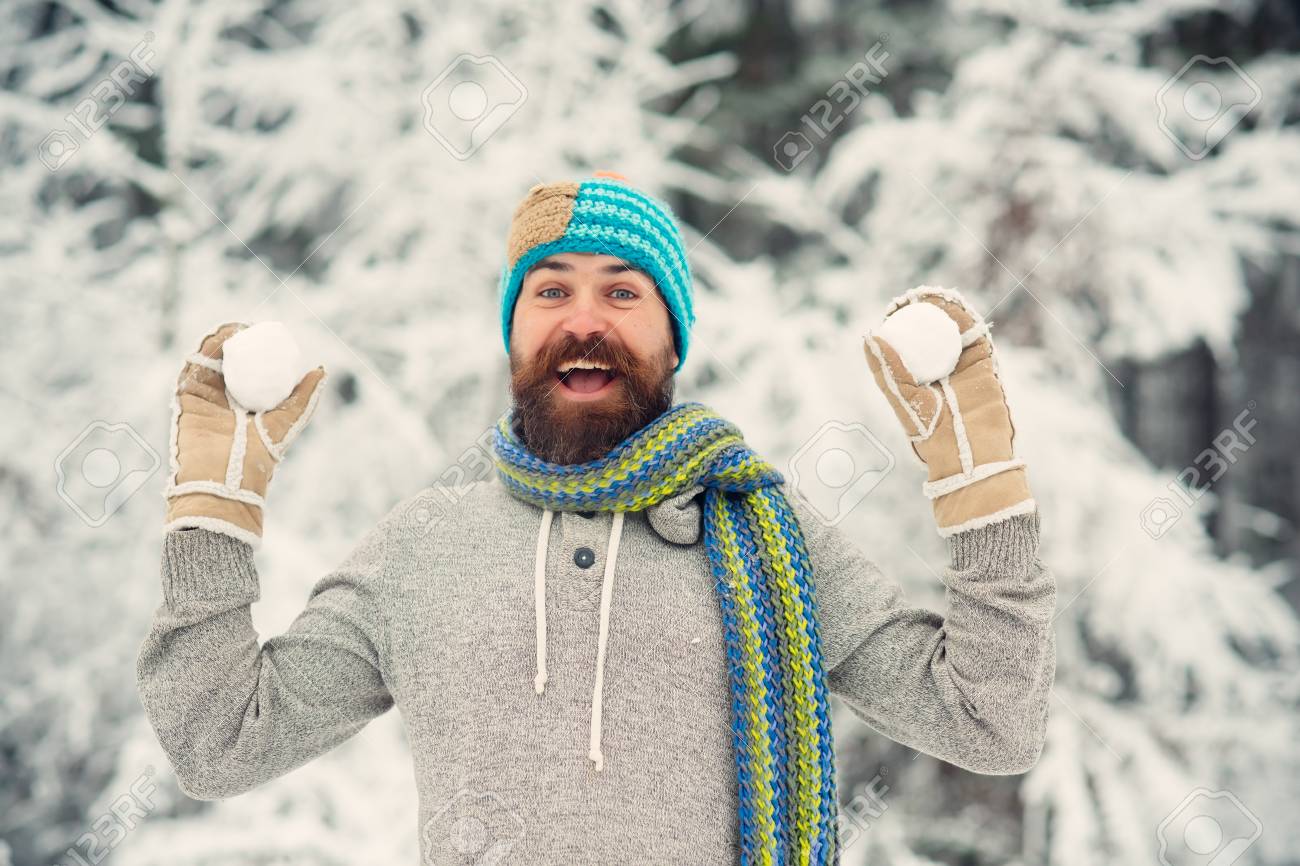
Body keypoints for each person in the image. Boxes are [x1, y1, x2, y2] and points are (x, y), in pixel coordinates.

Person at [137, 171, 1056, 865]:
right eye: (551, 291)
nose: (585, 321)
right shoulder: (423, 548)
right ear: (513, 333)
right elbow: (221, 743)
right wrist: (213, 518)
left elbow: (989, 721)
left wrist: (982, 497)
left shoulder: (774, 540)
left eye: (623, 292)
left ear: (671, 337)